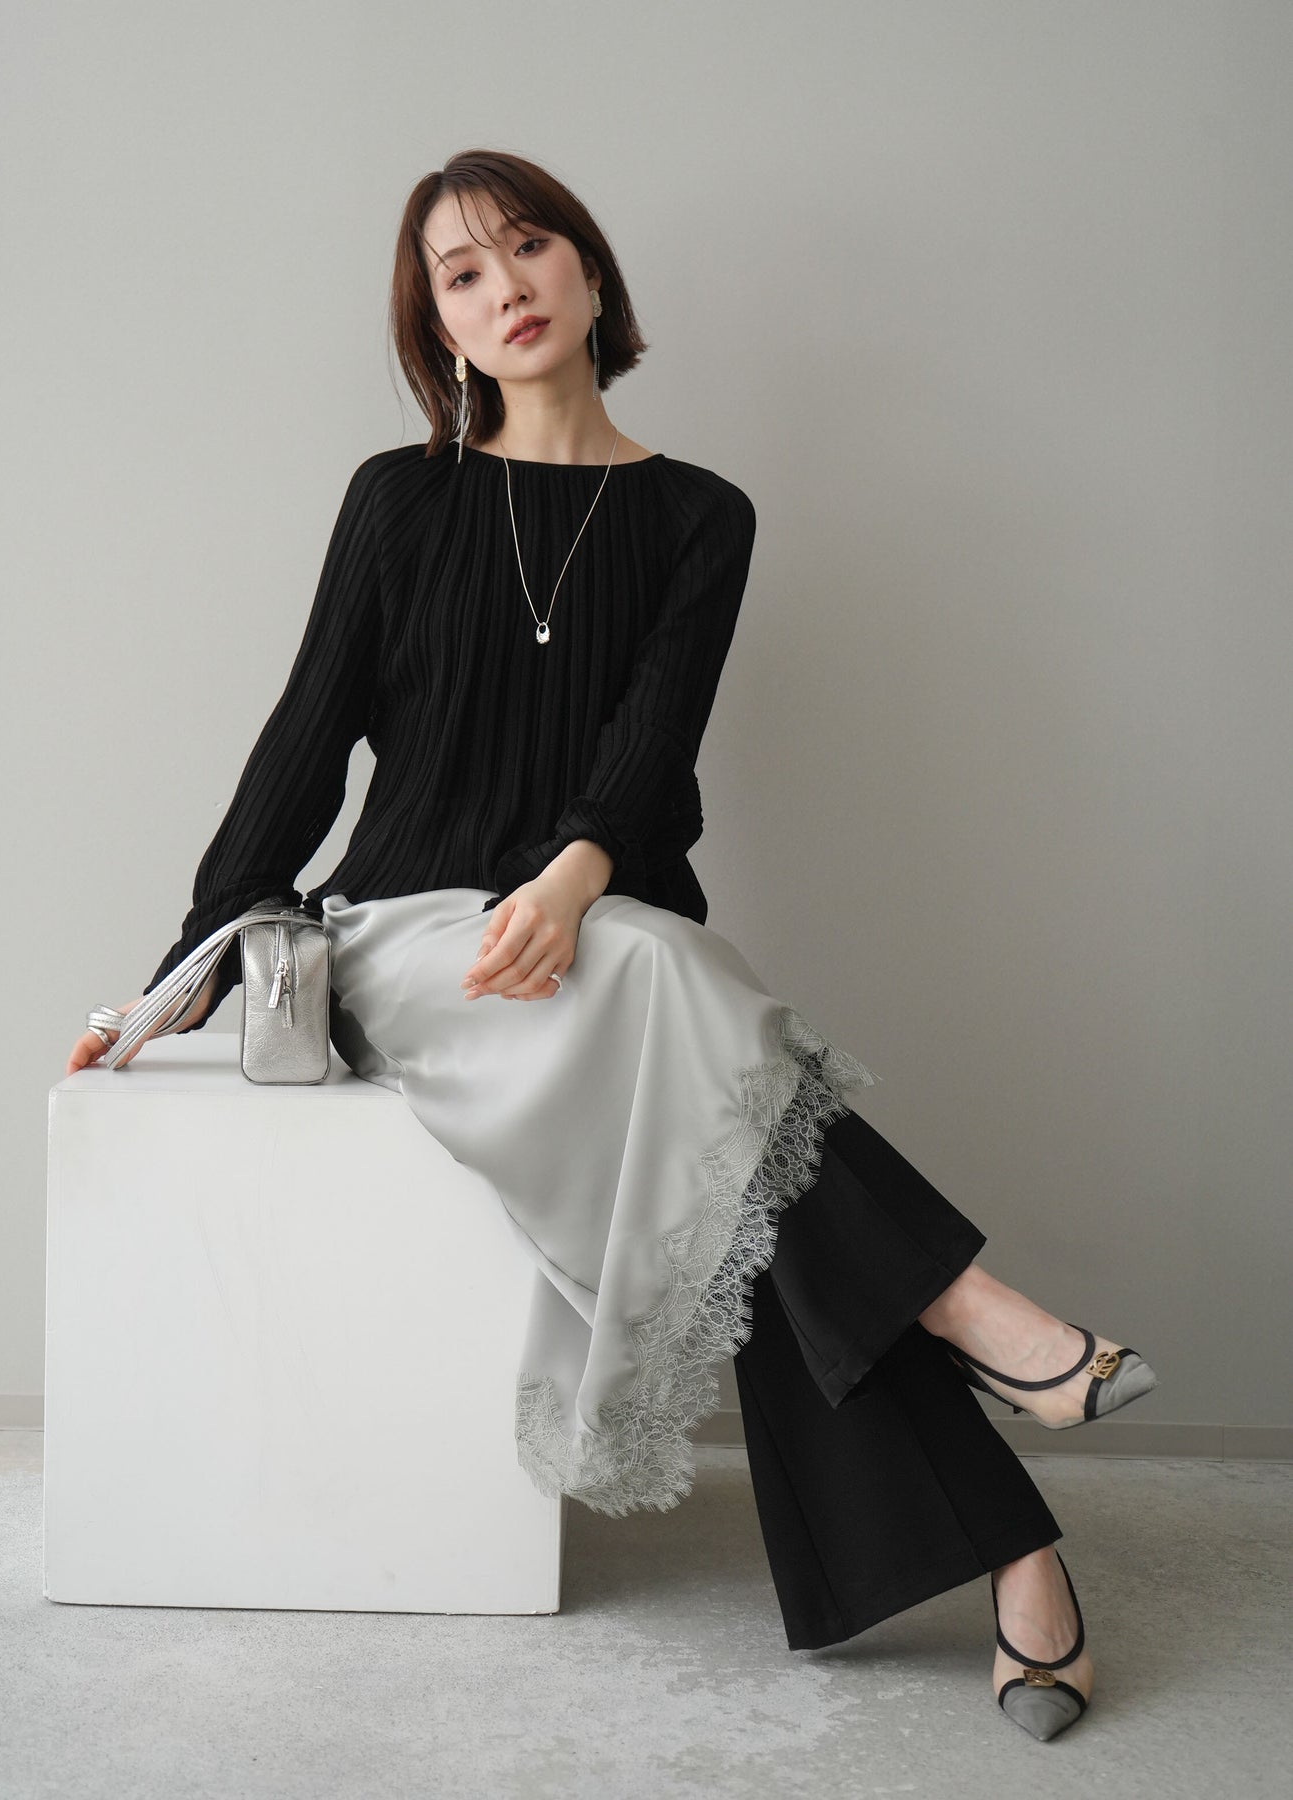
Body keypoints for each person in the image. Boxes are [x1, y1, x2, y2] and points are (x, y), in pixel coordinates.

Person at [66, 148, 1158, 1743]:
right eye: (460, 273)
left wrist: (575, 878)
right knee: (689, 1002)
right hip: (416, 949)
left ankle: (1020, 1554)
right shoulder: (398, 501)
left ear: (589, 273)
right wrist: (185, 970)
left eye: (528, 247)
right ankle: (979, 1321)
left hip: (602, 937)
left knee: (731, 1144)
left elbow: (652, 749)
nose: (502, 286)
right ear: (436, 326)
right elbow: (303, 744)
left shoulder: (701, 516)